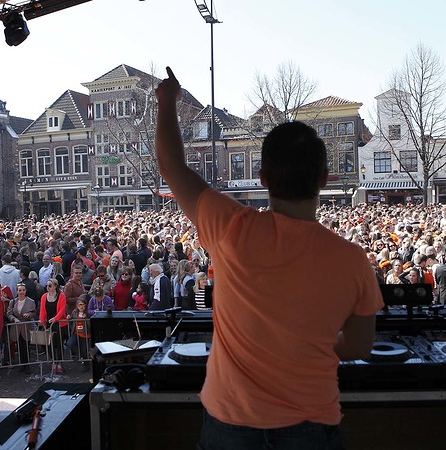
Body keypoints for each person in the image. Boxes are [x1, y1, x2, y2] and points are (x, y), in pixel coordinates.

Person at [156, 68, 383, 448]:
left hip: (230, 423)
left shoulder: (230, 228)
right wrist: (306, 343)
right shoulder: (352, 259)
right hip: (310, 425)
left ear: (262, 177)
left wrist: (167, 102)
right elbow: (359, 346)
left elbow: (173, 168)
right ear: (325, 179)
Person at [39, 277, 67, 375]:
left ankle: (59, 362)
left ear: (55, 286)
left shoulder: (61, 295)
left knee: (59, 344)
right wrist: (41, 321)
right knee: (50, 344)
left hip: (59, 323)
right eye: (47, 285)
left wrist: (56, 318)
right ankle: (53, 361)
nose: (48, 287)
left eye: (50, 285)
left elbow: (62, 310)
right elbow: (42, 310)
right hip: (48, 323)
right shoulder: (44, 297)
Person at [7, 282, 37, 372]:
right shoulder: (13, 302)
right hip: (16, 327)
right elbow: (9, 313)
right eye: (20, 290)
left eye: (23, 290)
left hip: (26, 326)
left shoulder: (30, 301)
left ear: (26, 291)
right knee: (19, 346)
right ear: (17, 291)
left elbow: (34, 312)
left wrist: (29, 314)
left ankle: (27, 365)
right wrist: (14, 319)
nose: (22, 292)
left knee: (26, 346)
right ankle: (22, 364)